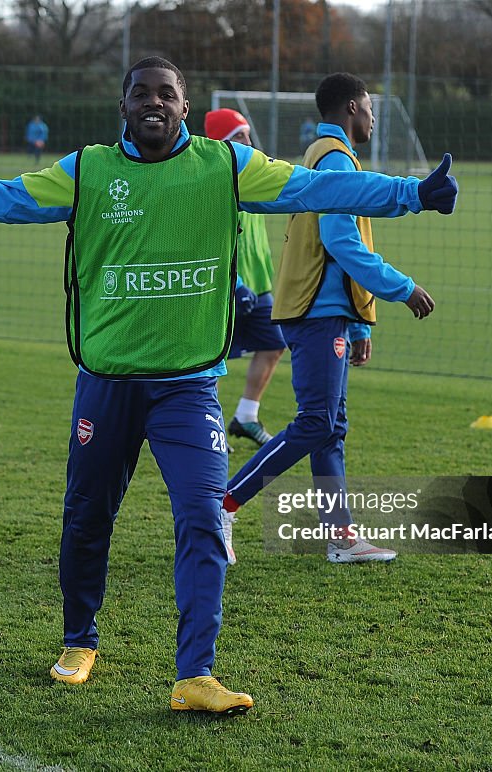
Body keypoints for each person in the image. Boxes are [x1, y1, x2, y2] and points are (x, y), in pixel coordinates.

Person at [0, 57, 456, 714]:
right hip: (108, 382)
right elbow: (0, 197)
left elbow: (316, 189)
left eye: (167, 93)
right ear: (123, 106)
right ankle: (78, 640)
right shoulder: (87, 170)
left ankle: (195, 675)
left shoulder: (225, 166)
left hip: (188, 388)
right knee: (87, 521)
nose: (154, 102)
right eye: (141, 92)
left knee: (203, 518)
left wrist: (411, 194)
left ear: (185, 107)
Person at [222, 72, 449, 565]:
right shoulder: (333, 158)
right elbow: (343, 243)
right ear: (351, 107)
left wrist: (361, 321)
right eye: (370, 107)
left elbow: (347, 242)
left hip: (329, 313)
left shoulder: (323, 154)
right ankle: (223, 504)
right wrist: (401, 289)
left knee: (330, 426)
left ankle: (341, 536)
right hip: (316, 312)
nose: (373, 116)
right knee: (315, 422)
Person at [202, 108, 285, 562]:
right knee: (211, 359)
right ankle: (206, 424)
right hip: (228, 289)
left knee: (274, 344)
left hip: (262, 286)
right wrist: (232, 281)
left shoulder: (252, 174)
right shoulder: (213, 179)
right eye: (240, 135)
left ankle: (246, 415)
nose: (249, 141)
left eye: (249, 133)